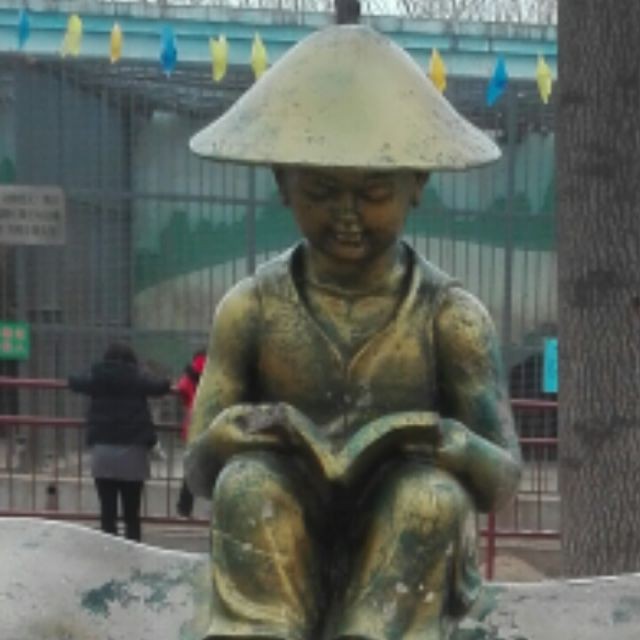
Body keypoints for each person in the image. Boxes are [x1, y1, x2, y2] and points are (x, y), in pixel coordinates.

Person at [185, 25, 522, 640]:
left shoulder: (450, 316)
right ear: (282, 182)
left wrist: (456, 445)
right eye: (321, 192)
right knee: (246, 485)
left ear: (417, 184)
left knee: (430, 498)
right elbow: (198, 470)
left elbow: (502, 478)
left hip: (403, 538)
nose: (347, 215)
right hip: (284, 518)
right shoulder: (252, 307)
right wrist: (224, 440)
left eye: (372, 193)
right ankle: (260, 630)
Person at [68, 342, 171, 542]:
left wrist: (93, 368)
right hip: (133, 453)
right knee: (131, 514)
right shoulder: (138, 377)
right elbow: (161, 387)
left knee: (107, 512)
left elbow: (73, 381)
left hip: (103, 453)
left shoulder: (97, 376)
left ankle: (110, 552)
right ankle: (132, 552)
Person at [175, 348, 207, 517]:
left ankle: (184, 508)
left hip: (194, 425)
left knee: (191, 469)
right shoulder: (217, 369)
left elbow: (182, 389)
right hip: (213, 422)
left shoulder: (189, 374)